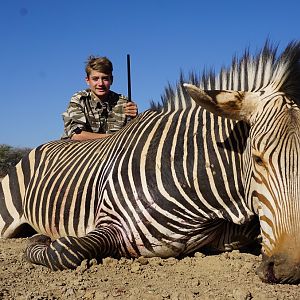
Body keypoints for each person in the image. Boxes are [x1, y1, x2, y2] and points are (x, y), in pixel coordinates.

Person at [61, 56, 138, 140]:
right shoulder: (79, 99)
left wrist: (135, 119)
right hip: (82, 150)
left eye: (105, 78)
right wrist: (113, 138)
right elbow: (76, 135)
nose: (100, 83)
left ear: (111, 80)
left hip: (113, 151)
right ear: (87, 80)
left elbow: (132, 135)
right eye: (95, 79)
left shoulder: (124, 103)